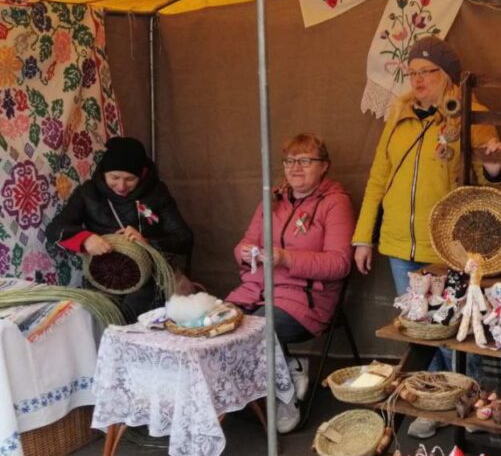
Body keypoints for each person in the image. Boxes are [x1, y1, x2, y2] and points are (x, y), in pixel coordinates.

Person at [352, 36, 501, 439]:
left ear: (449, 75)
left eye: (428, 72)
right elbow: (378, 179)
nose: (418, 80)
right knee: (420, 329)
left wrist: (494, 167)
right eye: (412, 73)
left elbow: (492, 185)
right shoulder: (399, 115)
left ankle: (470, 399)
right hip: (398, 243)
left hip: (448, 245)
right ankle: (434, 401)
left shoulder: (472, 115)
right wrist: (363, 237)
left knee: (455, 329)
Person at [226, 133, 354, 433]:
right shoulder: (272, 200)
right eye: (289, 161)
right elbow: (246, 242)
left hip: (307, 299)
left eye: (305, 161)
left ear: (324, 166)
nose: (295, 168)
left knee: (256, 329)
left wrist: (286, 258)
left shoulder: (336, 203)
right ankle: (289, 370)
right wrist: (243, 251)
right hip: (257, 290)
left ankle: (285, 398)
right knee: (219, 325)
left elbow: (340, 263)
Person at [46, 136, 193, 322]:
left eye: (130, 179)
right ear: (104, 172)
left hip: (149, 280)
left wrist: (148, 242)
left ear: (142, 173)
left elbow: (185, 238)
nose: (121, 186)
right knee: (99, 319)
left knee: (133, 319)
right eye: (114, 177)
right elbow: (54, 229)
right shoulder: (89, 193)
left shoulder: (157, 193)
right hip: (103, 277)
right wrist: (85, 239)